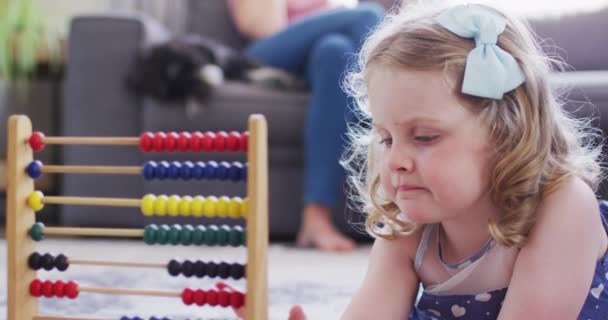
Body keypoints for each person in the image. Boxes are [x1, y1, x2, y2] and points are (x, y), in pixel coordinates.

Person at [234, 1, 608, 319]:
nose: (395, 160)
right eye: (385, 137)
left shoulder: (563, 206)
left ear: (506, 131)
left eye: (424, 137)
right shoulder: (412, 221)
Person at [228, 0, 385, 251]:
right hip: (262, 55)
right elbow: (263, 27)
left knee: (335, 49)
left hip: (318, 57)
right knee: (368, 15)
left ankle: (315, 218)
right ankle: (388, 107)